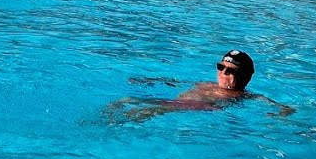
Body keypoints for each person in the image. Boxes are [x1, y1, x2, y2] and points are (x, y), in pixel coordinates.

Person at [107, 50, 294, 122]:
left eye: (231, 71)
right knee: (125, 100)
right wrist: (148, 81)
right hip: (174, 103)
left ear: (246, 77)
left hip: (190, 109)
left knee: (148, 111)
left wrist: (280, 114)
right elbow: (176, 82)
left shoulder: (243, 96)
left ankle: (113, 126)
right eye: (221, 67)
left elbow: (282, 107)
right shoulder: (206, 84)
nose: (223, 73)